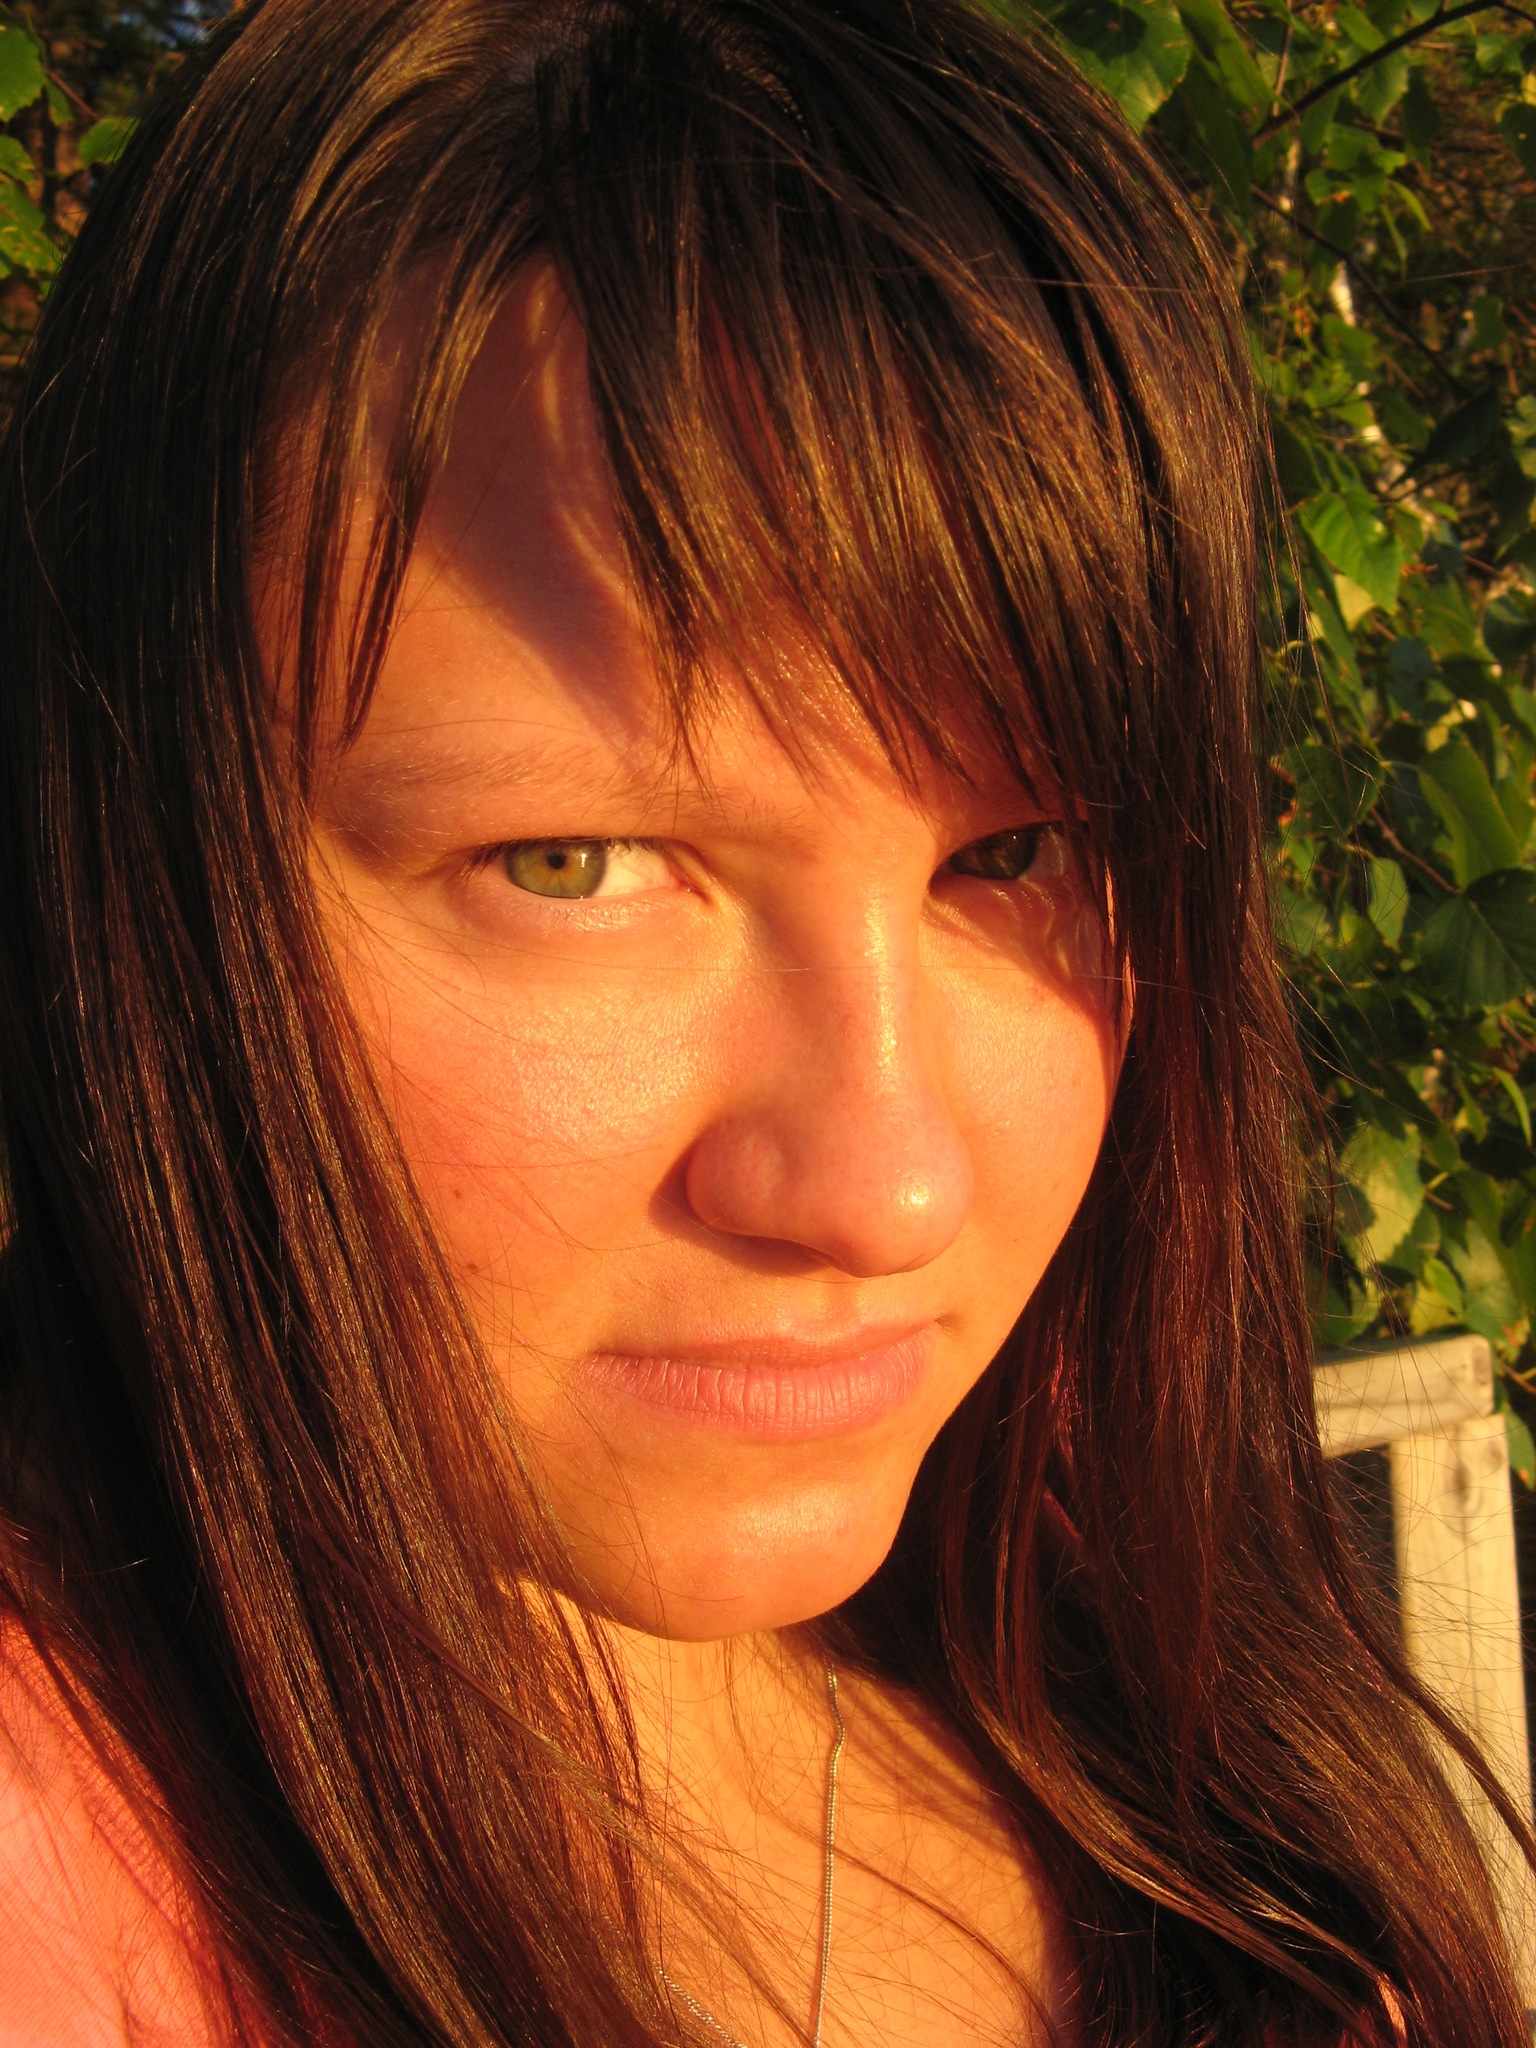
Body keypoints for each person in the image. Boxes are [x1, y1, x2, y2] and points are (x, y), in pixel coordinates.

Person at [0, 0, 1527, 2041]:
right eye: (574, 864)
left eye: (1016, 855)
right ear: (128, 872)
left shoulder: (1140, 1711)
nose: (886, 1188)